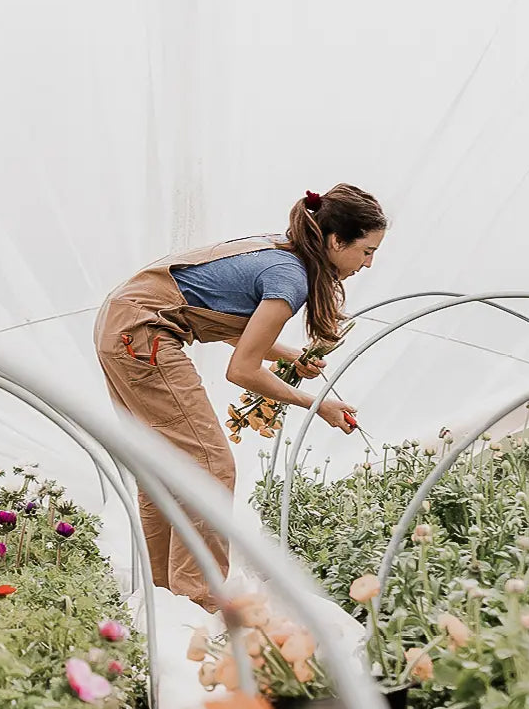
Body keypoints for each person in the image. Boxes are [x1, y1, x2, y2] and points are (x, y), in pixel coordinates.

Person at [93, 184, 387, 610]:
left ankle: (160, 602)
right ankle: (198, 600)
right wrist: (317, 405)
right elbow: (243, 370)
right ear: (336, 241)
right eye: (366, 251)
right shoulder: (291, 276)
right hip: (143, 334)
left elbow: (236, 332)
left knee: (162, 470)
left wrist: (290, 355)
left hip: (124, 325)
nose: (369, 263)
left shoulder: (281, 252)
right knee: (212, 467)